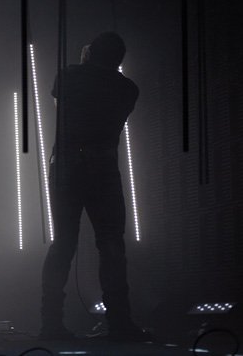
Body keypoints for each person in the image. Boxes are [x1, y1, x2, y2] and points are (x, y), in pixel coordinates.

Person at [39, 31, 150, 342]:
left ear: (91, 53)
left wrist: (84, 63)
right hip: (103, 166)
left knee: (63, 243)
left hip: (67, 165)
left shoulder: (69, 75)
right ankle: (120, 323)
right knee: (112, 245)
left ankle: (51, 323)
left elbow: (61, 100)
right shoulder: (128, 88)